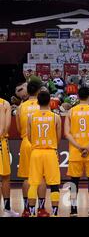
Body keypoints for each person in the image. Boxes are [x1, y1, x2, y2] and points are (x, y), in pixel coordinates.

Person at [26, 91, 62, 217]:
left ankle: (31, 213)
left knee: (34, 183)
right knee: (54, 184)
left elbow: (29, 137)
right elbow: (58, 138)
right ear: (50, 102)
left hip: (36, 152)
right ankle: (55, 213)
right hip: (50, 152)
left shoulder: (31, 117)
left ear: (37, 102)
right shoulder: (55, 117)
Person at [64, 86, 89, 217]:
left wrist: (78, 147)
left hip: (75, 151)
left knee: (74, 181)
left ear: (78, 96)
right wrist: (88, 147)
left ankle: (73, 210)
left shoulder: (71, 112)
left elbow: (67, 133)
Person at [16, 80, 47, 217]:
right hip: (40, 144)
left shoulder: (21, 107)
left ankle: (27, 209)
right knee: (41, 178)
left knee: (27, 178)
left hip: (26, 142)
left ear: (28, 91)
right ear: (39, 91)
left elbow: (18, 128)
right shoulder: (43, 106)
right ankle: (41, 209)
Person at [0, 96, 19, 216]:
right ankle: (7, 209)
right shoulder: (4, 104)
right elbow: (6, 127)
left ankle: (7, 209)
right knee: (5, 176)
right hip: (1, 142)